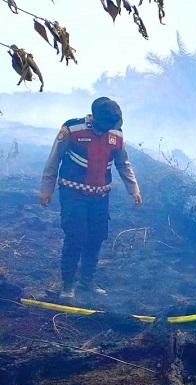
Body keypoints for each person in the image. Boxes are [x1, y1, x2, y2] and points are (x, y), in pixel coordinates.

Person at [39, 96, 141, 300]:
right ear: (93, 118)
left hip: (101, 196)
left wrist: (134, 189)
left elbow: (123, 164)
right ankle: (68, 286)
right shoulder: (72, 130)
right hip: (73, 194)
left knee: (96, 238)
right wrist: (46, 189)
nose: (107, 128)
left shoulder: (116, 135)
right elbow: (54, 160)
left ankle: (87, 282)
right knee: (75, 237)